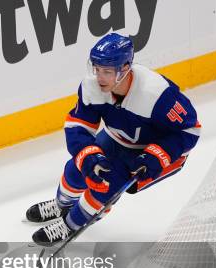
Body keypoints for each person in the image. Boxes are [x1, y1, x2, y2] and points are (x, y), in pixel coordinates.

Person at [27, 33, 201, 245]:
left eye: (107, 71)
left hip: (151, 152)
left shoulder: (157, 95)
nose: (100, 77)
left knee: (107, 185)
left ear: (125, 68)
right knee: (77, 168)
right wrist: (89, 156)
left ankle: (71, 224)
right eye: (97, 69)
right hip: (117, 137)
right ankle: (62, 204)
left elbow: (189, 130)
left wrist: (155, 157)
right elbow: (78, 125)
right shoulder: (92, 86)